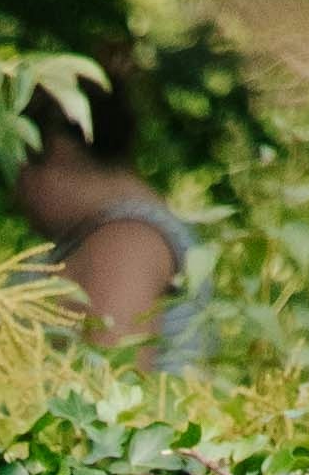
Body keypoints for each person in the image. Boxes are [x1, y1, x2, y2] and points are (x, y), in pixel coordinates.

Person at [15, 82, 209, 364]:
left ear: (59, 153)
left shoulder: (126, 243)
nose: (17, 196)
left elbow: (113, 377)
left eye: (21, 171)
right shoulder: (122, 233)